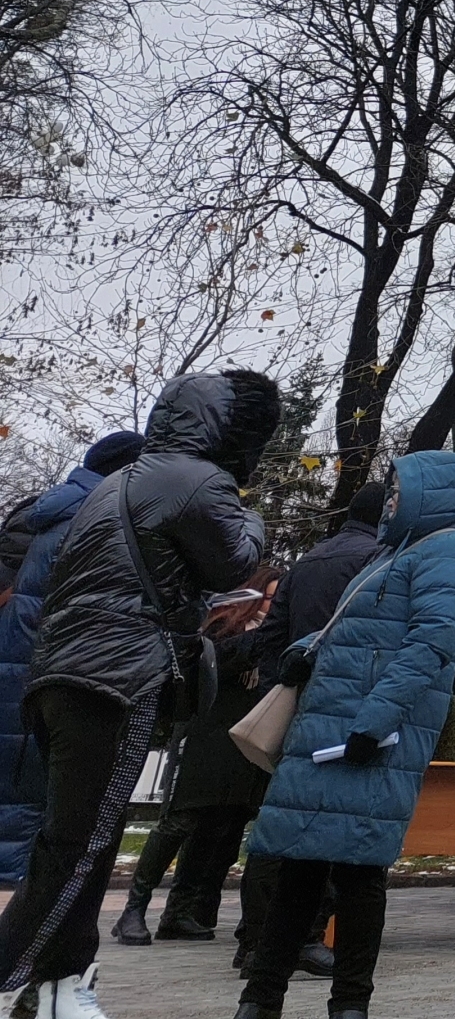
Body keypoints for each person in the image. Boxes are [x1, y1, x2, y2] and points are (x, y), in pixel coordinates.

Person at [0, 371, 277, 1019]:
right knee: (79, 848)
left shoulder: (117, 483)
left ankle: (60, 990)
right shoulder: (198, 481)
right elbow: (236, 561)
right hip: (115, 682)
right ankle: (19, 976)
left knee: (74, 842)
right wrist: (255, 520)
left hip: (59, 678)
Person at [238, 450, 455, 1019]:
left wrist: (373, 723)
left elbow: (431, 645)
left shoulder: (452, 552)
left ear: (433, 493)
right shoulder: (396, 551)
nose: (392, 500)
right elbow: (357, 636)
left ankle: (348, 1003)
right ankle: (260, 998)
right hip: (333, 725)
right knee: (300, 864)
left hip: (369, 735)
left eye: (401, 490)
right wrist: (303, 656)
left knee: (356, 872)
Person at [234, 481, 388, 980]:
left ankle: (255, 939)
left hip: (299, 703)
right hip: (348, 708)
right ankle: (305, 937)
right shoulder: (378, 563)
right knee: (332, 825)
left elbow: (272, 636)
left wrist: (286, 684)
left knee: (279, 820)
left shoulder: (307, 561)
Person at [0, 431, 148, 890]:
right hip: (56, 667)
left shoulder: (38, 510)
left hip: (12, 660)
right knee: (40, 792)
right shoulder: (104, 520)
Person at [112, 571, 278, 946]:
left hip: (248, 742)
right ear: (253, 599)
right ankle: (133, 910)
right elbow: (215, 664)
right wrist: (267, 635)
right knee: (180, 822)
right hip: (207, 738)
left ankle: (185, 912)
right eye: (270, 599)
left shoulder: (276, 640)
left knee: (225, 829)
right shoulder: (225, 629)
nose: (275, 607)